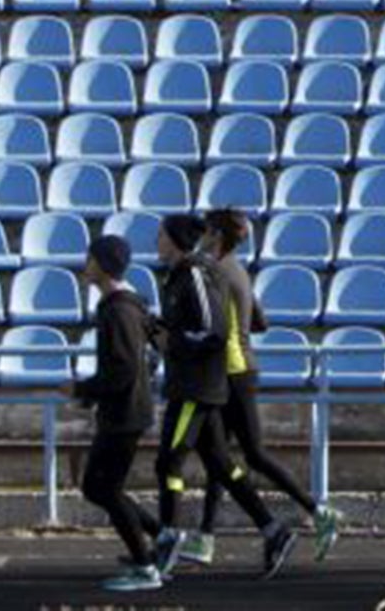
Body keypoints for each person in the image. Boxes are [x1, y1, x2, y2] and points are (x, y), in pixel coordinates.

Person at [184, 208, 344, 568]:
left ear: (216, 235)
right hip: (241, 368)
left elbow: (213, 325)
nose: (202, 236)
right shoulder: (237, 270)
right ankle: (205, 538)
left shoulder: (214, 271)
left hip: (229, 372)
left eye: (207, 231)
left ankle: (317, 511)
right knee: (218, 457)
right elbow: (260, 322)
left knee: (248, 454)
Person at [150, 212, 298, 580]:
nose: (156, 241)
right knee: (220, 464)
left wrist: (173, 341)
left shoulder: (196, 273)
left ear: (175, 239)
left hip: (195, 387)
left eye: (161, 235)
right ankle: (273, 529)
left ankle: (167, 541)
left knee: (168, 462)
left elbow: (211, 331)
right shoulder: (177, 276)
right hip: (191, 382)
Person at [75, 234, 165, 593]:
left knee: (101, 488)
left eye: (90, 258)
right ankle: (164, 538)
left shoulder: (119, 309)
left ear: (101, 263)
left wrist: (82, 389)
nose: (86, 264)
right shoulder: (127, 305)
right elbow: (150, 352)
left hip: (124, 411)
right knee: (102, 487)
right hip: (128, 409)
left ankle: (146, 565)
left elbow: (124, 369)